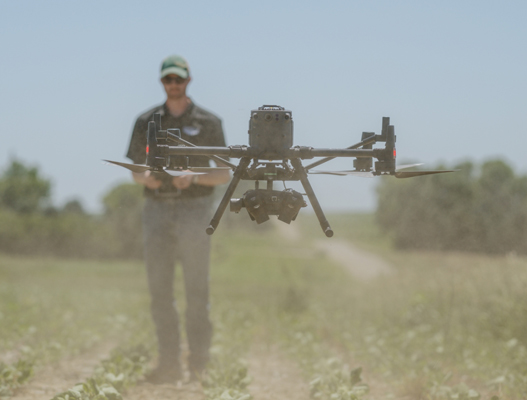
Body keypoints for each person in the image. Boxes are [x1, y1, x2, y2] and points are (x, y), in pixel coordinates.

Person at [125, 55, 230, 383]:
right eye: (168, 79)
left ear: (188, 80)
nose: (173, 84)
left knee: (197, 291)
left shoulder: (210, 122)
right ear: (161, 82)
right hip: (156, 209)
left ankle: (199, 366)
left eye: (178, 79)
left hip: (194, 211)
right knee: (160, 291)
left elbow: (224, 173)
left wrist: (195, 177)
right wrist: (146, 178)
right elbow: (134, 169)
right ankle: (168, 365)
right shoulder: (145, 121)